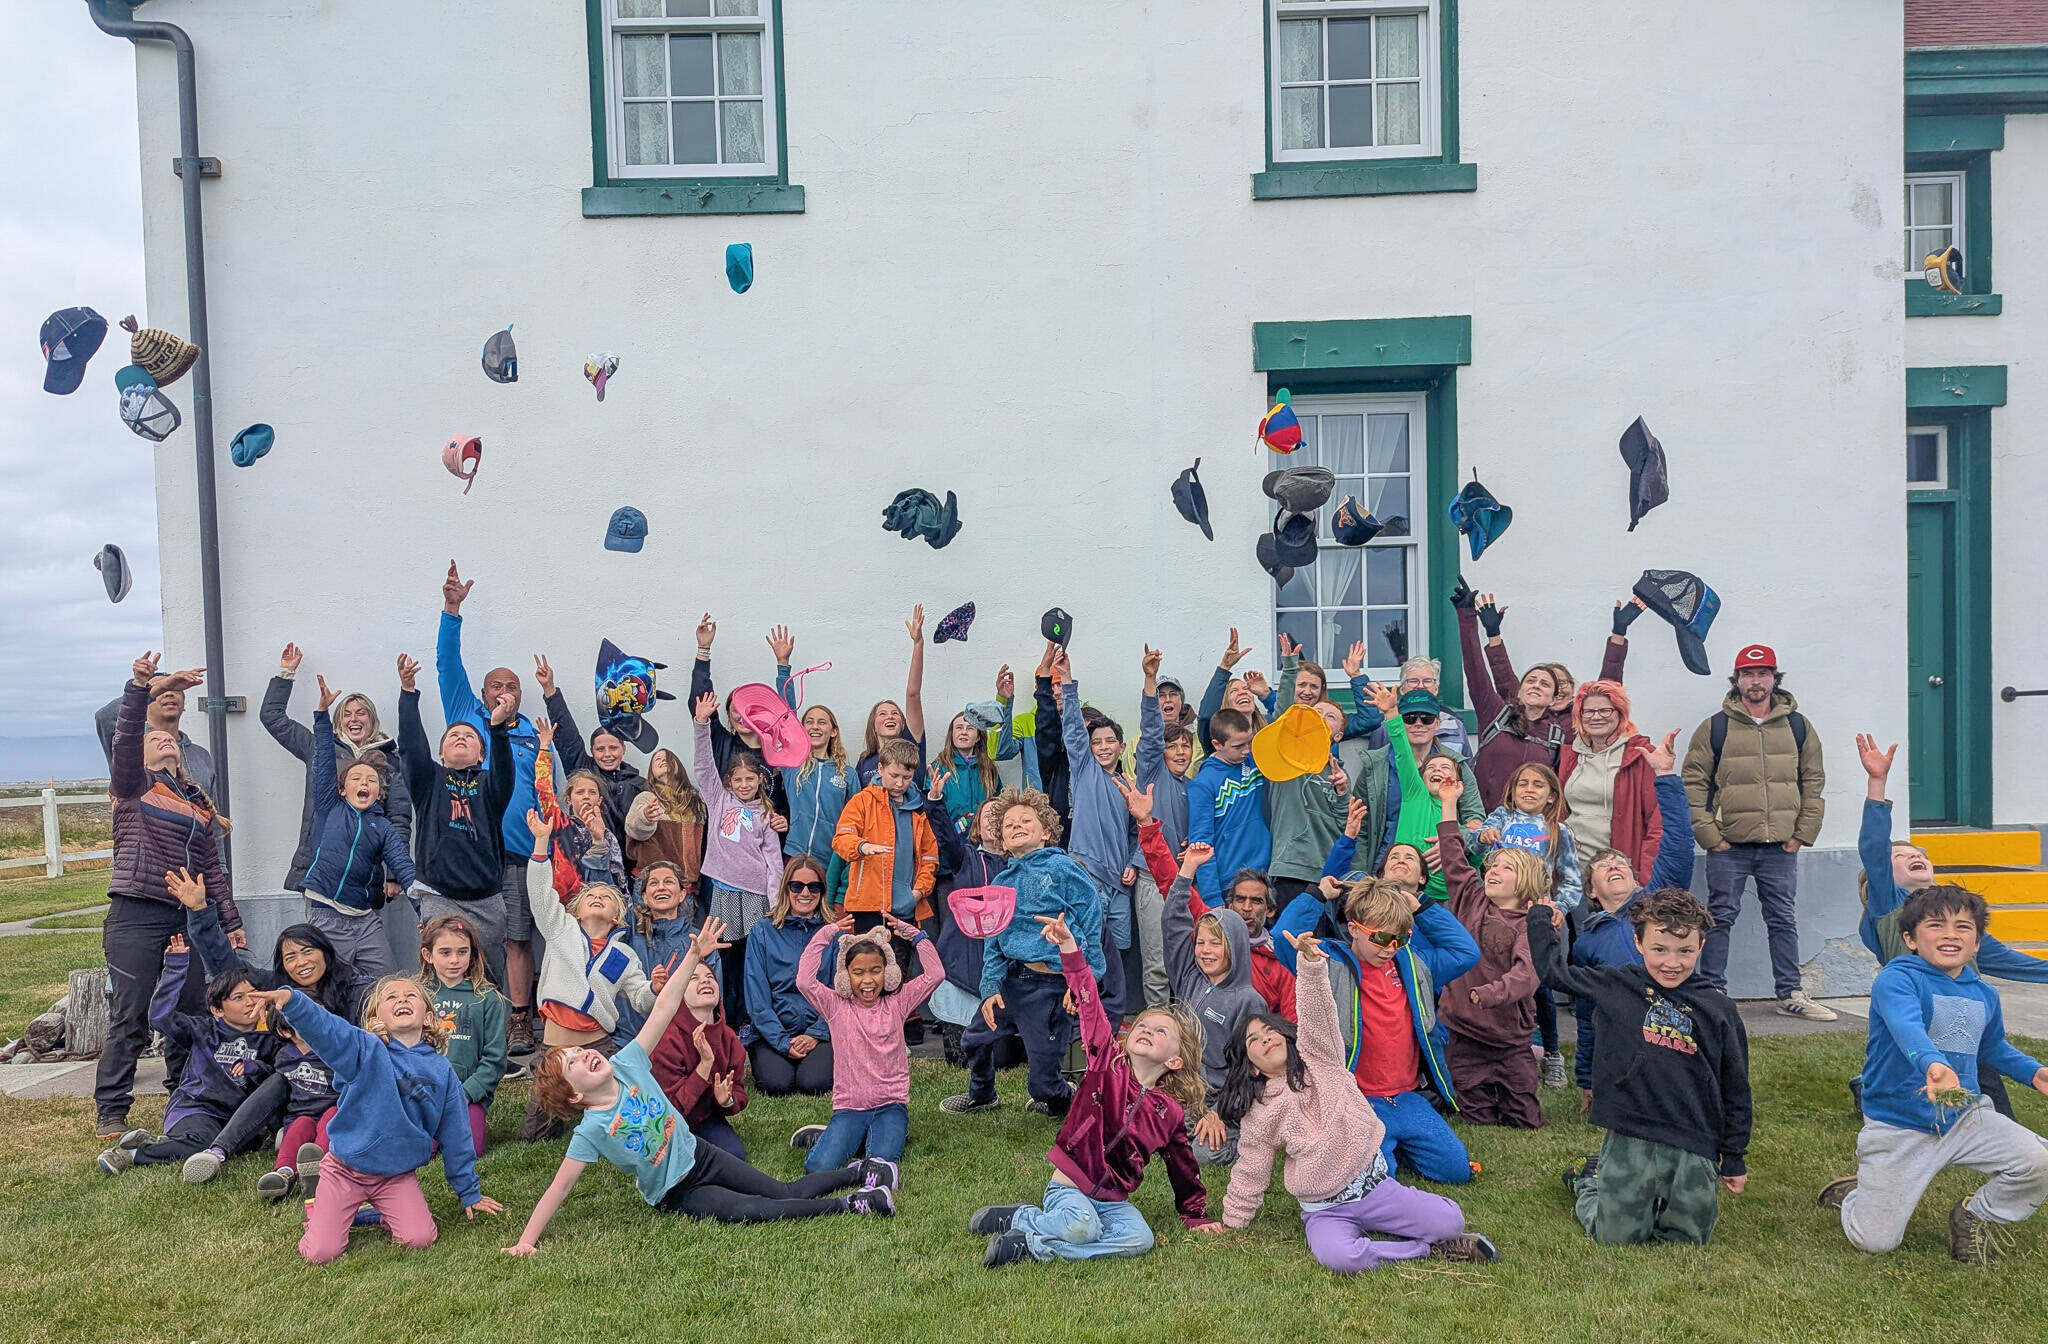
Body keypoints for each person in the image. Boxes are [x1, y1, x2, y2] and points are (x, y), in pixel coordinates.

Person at [504, 918, 895, 1250]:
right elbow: (558, 1189)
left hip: (702, 1154)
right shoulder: (590, 1132)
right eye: (572, 1063)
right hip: (679, 1192)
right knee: (753, 1212)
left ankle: (864, 1171)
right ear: (575, 1095)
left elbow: (663, 1007)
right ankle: (855, 1204)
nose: (581, 1054)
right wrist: (526, 1241)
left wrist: (694, 956)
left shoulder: (627, 1064)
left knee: (782, 1191)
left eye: (576, 1051)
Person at [1216, 936, 1498, 1270]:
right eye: (1253, 1040)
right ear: (1251, 1065)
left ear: (1286, 1037)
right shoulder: (1260, 1112)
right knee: (1339, 1256)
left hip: (1376, 1189)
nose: (1264, 1038)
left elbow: (1317, 1012)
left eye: (1268, 1031)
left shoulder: (1321, 1058)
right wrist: (1233, 1221)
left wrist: (1310, 966)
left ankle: (1423, 1225)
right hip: (1324, 1210)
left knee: (1451, 1221)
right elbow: (1251, 1169)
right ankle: (1425, 1250)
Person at [967, 911, 1220, 1266]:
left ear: (1175, 1061)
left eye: (1162, 1032)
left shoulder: (1170, 1113)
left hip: (1113, 1201)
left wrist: (1194, 1214)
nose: (1148, 1030)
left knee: (1139, 1238)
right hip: (1068, 1186)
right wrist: (1069, 948)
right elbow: (1088, 1003)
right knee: (1083, 1227)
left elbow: (1182, 1164)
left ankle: (1034, 1242)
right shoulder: (1107, 1063)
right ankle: (1023, 1221)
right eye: (1144, 1025)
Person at [1817, 886, 2048, 1264]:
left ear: (1977, 943)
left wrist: (2034, 1073)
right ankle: (1861, 1195)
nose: (1950, 934)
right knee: (1875, 1241)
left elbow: (1991, 1047)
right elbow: (1906, 1025)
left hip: (1965, 1114)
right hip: (1900, 1123)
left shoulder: (1984, 994)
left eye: (1963, 927)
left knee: (2039, 1162)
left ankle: (1974, 1214)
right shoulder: (1898, 980)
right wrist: (1932, 1064)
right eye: (1936, 925)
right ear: (1909, 938)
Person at [1533, 888, 1751, 1246]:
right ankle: (1588, 1181)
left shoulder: (1718, 1009)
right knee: (1617, 1237)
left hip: (1693, 1138)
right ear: (1638, 943)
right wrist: (1542, 921)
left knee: (1686, 1239)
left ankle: (1662, 1195)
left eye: (1685, 951)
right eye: (1659, 949)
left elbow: (1736, 1087)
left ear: (1701, 946)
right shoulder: (1617, 985)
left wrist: (1735, 1158)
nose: (1672, 962)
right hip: (1630, 1131)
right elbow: (1552, 973)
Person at [1852, 734, 2047, 1116]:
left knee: (1989, 1101)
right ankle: (1871, 1095)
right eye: (1902, 856)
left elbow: (2014, 962)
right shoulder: (1888, 908)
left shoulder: (1962, 924)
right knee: (1910, 1092)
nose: (1914, 856)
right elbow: (1873, 849)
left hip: (1967, 1023)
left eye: (1919, 854)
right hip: (1918, 1021)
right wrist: (1877, 783)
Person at [252, 974, 504, 1263]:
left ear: (429, 1018)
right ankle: (323, 1208)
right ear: (374, 1019)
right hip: (344, 1170)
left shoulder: (442, 1070)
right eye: (391, 997)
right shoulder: (363, 1051)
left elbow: (456, 1134)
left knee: (420, 1238)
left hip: (395, 1176)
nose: (402, 1000)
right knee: (322, 1253)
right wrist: (294, 1002)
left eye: (411, 996)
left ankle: (371, 1213)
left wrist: (469, 1192)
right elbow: (329, 1029)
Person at [97, 654, 242, 1139]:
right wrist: (143, 684)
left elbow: (211, 870)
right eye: (153, 737)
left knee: (190, 1008)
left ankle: (183, 1091)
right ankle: (112, 1110)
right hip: (135, 913)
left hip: (188, 916)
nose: (164, 739)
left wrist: (230, 919)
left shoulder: (197, 803)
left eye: (169, 739)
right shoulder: (132, 785)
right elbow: (123, 733)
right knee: (132, 1013)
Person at [1271, 871, 1481, 1185]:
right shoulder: (1327, 962)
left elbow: (1466, 952)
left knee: (1457, 1171)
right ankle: (1375, 1148)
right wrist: (1316, 896)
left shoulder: (1414, 964)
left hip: (1407, 1097)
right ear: (1354, 929)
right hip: (1357, 1101)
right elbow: (1283, 938)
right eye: (1381, 937)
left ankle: (1398, 1145)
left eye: (1401, 938)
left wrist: (1421, 905)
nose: (1390, 947)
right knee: (1378, 1180)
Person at [1680, 643, 1832, 1018]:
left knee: (1782, 918)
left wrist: (1802, 833)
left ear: (1773, 679)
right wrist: (1709, 836)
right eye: (1748, 675)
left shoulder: (1798, 725)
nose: (1755, 681)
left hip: (1780, 846)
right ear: (1737, 681)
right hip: (1728, 846)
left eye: (1763, 674)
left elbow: (1813, 780)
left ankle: (1790, 993)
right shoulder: (1715, 726)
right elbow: (1693, 782)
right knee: (1719, 916)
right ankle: (1713, 989)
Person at [437, 560, 548, 1051]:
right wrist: (452, 610)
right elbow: (446, 663)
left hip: (522, 851)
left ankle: (519, 1018)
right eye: (496, 686)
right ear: (483, 694)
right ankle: (466, 1024)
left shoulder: (530, 730)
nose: (505, 692)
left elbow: (548, 787)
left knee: (518, 939)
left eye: (512, 687)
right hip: (472, 851)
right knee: (466, 943)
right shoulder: (465, 714)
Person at [943, 789, 1105, 1117]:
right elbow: (994, 940)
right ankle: (982, 1093)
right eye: (1008, 824)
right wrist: (990, 989)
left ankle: (1063, 1099)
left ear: (1045, 830)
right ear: (1001, 839)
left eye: (1025, 820)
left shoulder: (1064, 869)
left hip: (1052, 988)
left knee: (1042, 1086)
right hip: (1013, 984)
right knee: (973, 1040)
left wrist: (1084, 982)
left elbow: (1091, 920)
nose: (1016, 825)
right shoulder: (1001, 881)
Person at [1566, 739, 1697, 1109]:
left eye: (1621, 863)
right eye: (1603, 866)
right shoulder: (1587, 942)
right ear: (1591, 889)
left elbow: (1679, 844)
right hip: (1621, 1040)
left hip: (1672, 1026)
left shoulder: (1658, 902)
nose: (1613, 866)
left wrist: (1665, 776)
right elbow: (1587, 1018)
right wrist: (1587, 1080)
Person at [517, 808, 659, 1140]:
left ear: (617, 919)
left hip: (599, 1045)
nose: (597, 898)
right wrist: (541, 843)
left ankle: (604, 1111)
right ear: (576, 911)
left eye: (606, 898)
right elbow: (540, 894)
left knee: (626, 1119)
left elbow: (641, 998)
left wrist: (655, 987)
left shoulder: (624, 955)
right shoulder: (559, 930)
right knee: (535, 1134)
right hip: (554, 1049)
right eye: (590, 896)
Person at [397, 653, 519, 993]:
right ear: (441, 753)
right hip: (440, 897)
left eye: (469, 736)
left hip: (487, 900)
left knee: (489, 981)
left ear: (481, 754)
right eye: (453, 736)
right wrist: (408, 692)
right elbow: (410, 747)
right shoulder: (428, 781)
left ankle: (491, 1044)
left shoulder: (490, 784)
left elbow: (505, 768)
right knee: (440, 982)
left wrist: (497, 729)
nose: (461, 738)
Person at [1145, 824, 1264, 1166]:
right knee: (1136, 1124)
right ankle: (1176, 1125)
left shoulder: (1248, 1001)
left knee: (1201, 1154)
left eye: (1216, 943)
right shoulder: (1189, 974)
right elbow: (1173, 921)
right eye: (1201, 942)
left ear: (1236, 948)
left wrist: (1221, 1115)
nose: (1205, 951)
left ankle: (1238, 1138)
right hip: (1178, 1088)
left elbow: (1248, 1073)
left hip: (1219, 1101)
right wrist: (1187, 872)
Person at [261, 641, 413, 908]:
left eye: (361, 713)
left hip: (366, 874)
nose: (354, 719)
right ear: (338, 721)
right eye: (346, 714)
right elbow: (273, 717)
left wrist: (394, 874)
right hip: (319, 867)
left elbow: (398, 817)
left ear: (372, 719)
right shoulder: (319, 747)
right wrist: (286, 673)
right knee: (319, 946)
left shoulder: (390, 759)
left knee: (364, 945)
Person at [792, 914, 944, 1176]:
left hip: (891, 1105)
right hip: (850, 1107)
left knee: (880, 1165)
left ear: (889, 973)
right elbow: (804, 981)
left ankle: (873, 1137)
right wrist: (826, 934)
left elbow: (935, 974)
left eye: (876, 971)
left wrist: (914, 935)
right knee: (818, 1168)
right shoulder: (835, 1006)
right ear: (845, 976)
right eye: (858, 973)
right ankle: (838, 1136)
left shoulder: (898, 1002)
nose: (868, 980)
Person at [1452, 582, 1630, 805]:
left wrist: (1618, 635)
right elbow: (1476, 670)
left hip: (1534, 829)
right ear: (1520, 689)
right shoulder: (1496, 715)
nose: (1536, 685)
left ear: (1554, 697)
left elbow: (1606, 693)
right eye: (1531, 681)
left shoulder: (1562, 734)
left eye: (1545, 684)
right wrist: (1466, 616)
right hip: (1487, 825)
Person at [1432, 782, 1544, 1130]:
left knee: (1524, 1118)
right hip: (1462, 1029)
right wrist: (1449, 803)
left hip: (1509, 1038)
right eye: (1491, 867)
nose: (1492, 872)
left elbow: (1527, 974)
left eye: (1505, 868)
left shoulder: (1530, 925)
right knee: (1474, 1111)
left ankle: (1530, 1069)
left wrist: (1493, 992)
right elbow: (1453, 857)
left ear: (1525, 882)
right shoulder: (1472, 900)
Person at [97, 964, 279, 1177]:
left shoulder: (272, 1038)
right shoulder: (203, 1030)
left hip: (237, 1117)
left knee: (242, 1144)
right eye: (238, 998)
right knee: (204, 1145)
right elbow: (159, 1017)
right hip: (196, 1108)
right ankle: (130, 1154)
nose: (250, 1002)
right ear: (217, 1010)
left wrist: (255, 1068)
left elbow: (277, 1082)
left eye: (254, 995)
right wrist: (175, 968)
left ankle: (159, 1142)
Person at [298, 678, 420, 977]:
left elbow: (404, 868)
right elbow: (325, 760)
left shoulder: (383, 827)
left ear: (380, 792)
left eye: (371, 781)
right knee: (329, 985)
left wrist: (426, 913)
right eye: (356, 779)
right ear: (342, 789)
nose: (363, 783)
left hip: (364, 918)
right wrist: (322, 715)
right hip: (325, 911)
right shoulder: (330, 807)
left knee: (384, 980)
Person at [1476, 759, 1583, 1087]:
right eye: (1523, 784)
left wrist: (1560, 907)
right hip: (1496, 915)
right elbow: (1475, 845)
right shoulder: (1501, 819)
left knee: (1541, 988)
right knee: (1498, 982)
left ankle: (1552, 1054)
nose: (1529, 790)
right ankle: (1499, 1051)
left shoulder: (1558, 831)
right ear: (1512, 790)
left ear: (1552, 796)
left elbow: (1572, 879)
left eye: (1538, 785)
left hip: (1536, 918)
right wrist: (1482, 836)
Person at [693, 691, 789, 1028]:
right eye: (739, 780)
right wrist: (701, 723)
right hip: (722, 890)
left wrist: (775, 900)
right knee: (726, 957)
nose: (745, 784)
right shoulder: (718, 799)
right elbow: (704, 764)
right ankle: (726, 1017)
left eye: (751, 779)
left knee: (753, 959)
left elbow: (774, 861)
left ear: (760, 780)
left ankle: (751, 1019)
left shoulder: (765, 812)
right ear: (728, 782)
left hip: (755, 895)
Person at [1057, 649, 1136, 1019]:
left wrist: (1135, 863)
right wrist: (1069, 685)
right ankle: (1084, 1015)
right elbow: (1073, 728)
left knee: (1116, 955)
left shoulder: (1128, 785)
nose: (1103, 747)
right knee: (1086, 948)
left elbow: (1139, 833)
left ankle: (1111, 1019)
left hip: (1120, 884)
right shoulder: (1085, 771)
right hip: (1087, 877)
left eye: (1110, 742)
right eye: (1097, 742)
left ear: (1121, 747)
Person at [833, 735, 941, 966]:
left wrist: (918, 893)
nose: (900, 783)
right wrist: (862, 846)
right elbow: (841, 839)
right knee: (867, 970)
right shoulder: (861, 801)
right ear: (880, 769)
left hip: (906, 908)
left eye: (907, 777)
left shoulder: (919, 808)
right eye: (894, 776)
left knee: (898, 972)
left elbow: (930, 857)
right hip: (866, 906)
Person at [1130, 645, 1195, 1009]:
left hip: (1183, 881)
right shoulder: (1153, 773)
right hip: (1152, 880)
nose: (1181, 752)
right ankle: (1157, 1028)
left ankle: (1185, 1031)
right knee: (1157, 966)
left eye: (1186, 746)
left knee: (1185, 961)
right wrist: (1150, 679)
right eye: (1174, 747)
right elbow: (1152, 732)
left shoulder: (1192, 787)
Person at [1557, 681, 1662, 895]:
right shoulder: (1570, 756)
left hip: (1618, 873)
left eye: (1605, 710)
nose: (1596, 717)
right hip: (1574, 872)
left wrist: (1645, 878)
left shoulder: (1640, 755)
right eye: (1588, 711)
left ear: (1620, 713)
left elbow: (1657, 823)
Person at [744, 856, 837, 1096]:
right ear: (786, 888)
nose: (805, 893)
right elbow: (757, 996)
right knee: (777, 1085)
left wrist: (816, 1034)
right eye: (797, 886)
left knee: (813, 1084)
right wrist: (782, 1042)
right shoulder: (762, 931)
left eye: (814, 886)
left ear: (822, 891)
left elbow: (839, 992)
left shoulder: (833, 933)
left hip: (820, 1029)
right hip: (772, 1030)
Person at [420, 914, 508, 1160]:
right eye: (445, 953)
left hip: (467, 1095)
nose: (454, 960)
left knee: (470, 1151)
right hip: (423, 1093)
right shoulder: (417, 995)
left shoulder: (487, 998)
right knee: (418, 1152)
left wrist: (468, 1092)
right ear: (429, 955)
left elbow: (495, 1058)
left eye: (462, 952)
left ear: (472, 954)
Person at [688, 616, 793, 815]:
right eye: (735, 709)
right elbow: (699, 701)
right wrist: (703, 650)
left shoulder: (776, 750)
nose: (741, 715)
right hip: (726, 839)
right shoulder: (721, 742)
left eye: (748, 709)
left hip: (766, 841)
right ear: (727, 714)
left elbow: (789, 717)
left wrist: (783, 665)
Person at [649, 956, 750, 1159]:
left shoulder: (729, 1037)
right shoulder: (667, 1037)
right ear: (679, 994)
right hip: (666, 1122)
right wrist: (705, 1065)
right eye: (693, 978)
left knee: (734, 1156)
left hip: (704, 1118)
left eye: (709, 977)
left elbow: (738, 1090)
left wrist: (727, 1101)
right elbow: (672, 1108)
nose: (705, 981)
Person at [535, 652, 644, 837]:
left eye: (613, 748)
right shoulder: (582, 770)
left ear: (623, 749)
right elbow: (567, 735)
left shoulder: (639, 784)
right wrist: (549, 689)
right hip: (585, 858)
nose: (607, 754)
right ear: (592, 751)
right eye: (600, 749)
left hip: (625, 862)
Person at [614, 861, 713, 1045]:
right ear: (643, 896)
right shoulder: (629, 932)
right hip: (630, 1041)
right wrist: (598, 849)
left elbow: (710, 999)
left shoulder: (698, 940)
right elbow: (606, 898)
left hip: (682, 1042)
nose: (661, 887)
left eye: (668, 882)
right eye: (653, 883)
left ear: (683, 894)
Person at [1267, 699, 1351, 905]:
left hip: (1328, 874)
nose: (1321, 717)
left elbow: (1347, 828)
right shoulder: (1286, 756)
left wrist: (1342, 793)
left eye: (1330, 716)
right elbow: (1281, 716)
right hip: (1291, 867)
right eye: (1317, 712)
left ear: (1338, 736)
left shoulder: (1340, 773)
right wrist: (1289, 667)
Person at [531, 721, 628, 897]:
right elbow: (544, 789)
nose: (586, 796)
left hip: (598, 908)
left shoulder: (607, 835)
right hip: (566, 905)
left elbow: (619, 878)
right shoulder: (560, 823)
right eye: (580, 792)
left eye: (592, 792)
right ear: (569, 798)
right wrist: (544, 748)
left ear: (599, 800)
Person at [1186, 707, 1269, 903]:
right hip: (1229, 885)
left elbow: (1283, 730)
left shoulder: (1256, 761)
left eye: (1248, 742)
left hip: (1264, 876)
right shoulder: (1203, 784)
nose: (1246, 750)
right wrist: (1213, 899)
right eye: (1238, 746)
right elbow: (1201, 843)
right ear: (1217, 744)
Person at [933, 665, 1017, 848]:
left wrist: (1005, 701)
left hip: (985, 847)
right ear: (951, 734)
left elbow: (999, 805)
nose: (964, 732)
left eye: (970, 728)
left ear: (978, 735)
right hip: (952, 846)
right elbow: (932, 811)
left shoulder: (989, 770)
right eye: (959, 728)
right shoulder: (940, 767)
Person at [855, 606, 930, 787]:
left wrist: (918, 643)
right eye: (882, 714)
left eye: (895, 713)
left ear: (903, 724)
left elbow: (913, 694)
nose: (890, 716)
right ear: (873, 726)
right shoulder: (865, 761)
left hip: (910, 814)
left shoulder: (912, 744)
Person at [622, 750, 706, 902]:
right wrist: (646, 817)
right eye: (657, 759)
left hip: (686, 887)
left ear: (678, 766)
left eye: (668, 758)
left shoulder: (696, 804)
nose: (663, 760)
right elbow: (633, 830)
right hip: (651, 883)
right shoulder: (647, 798)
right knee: (647, 926)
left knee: (684, 926)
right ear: (651, 772)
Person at [780, 703, 857, 865]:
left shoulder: (848, 774)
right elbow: (786, 715)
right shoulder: (792, 765)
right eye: (809, 722)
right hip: (794, 854)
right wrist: (784, 677)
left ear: (833, 731)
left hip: (829, 860)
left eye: (822, 722)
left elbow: (856, 818)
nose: (815, 727)